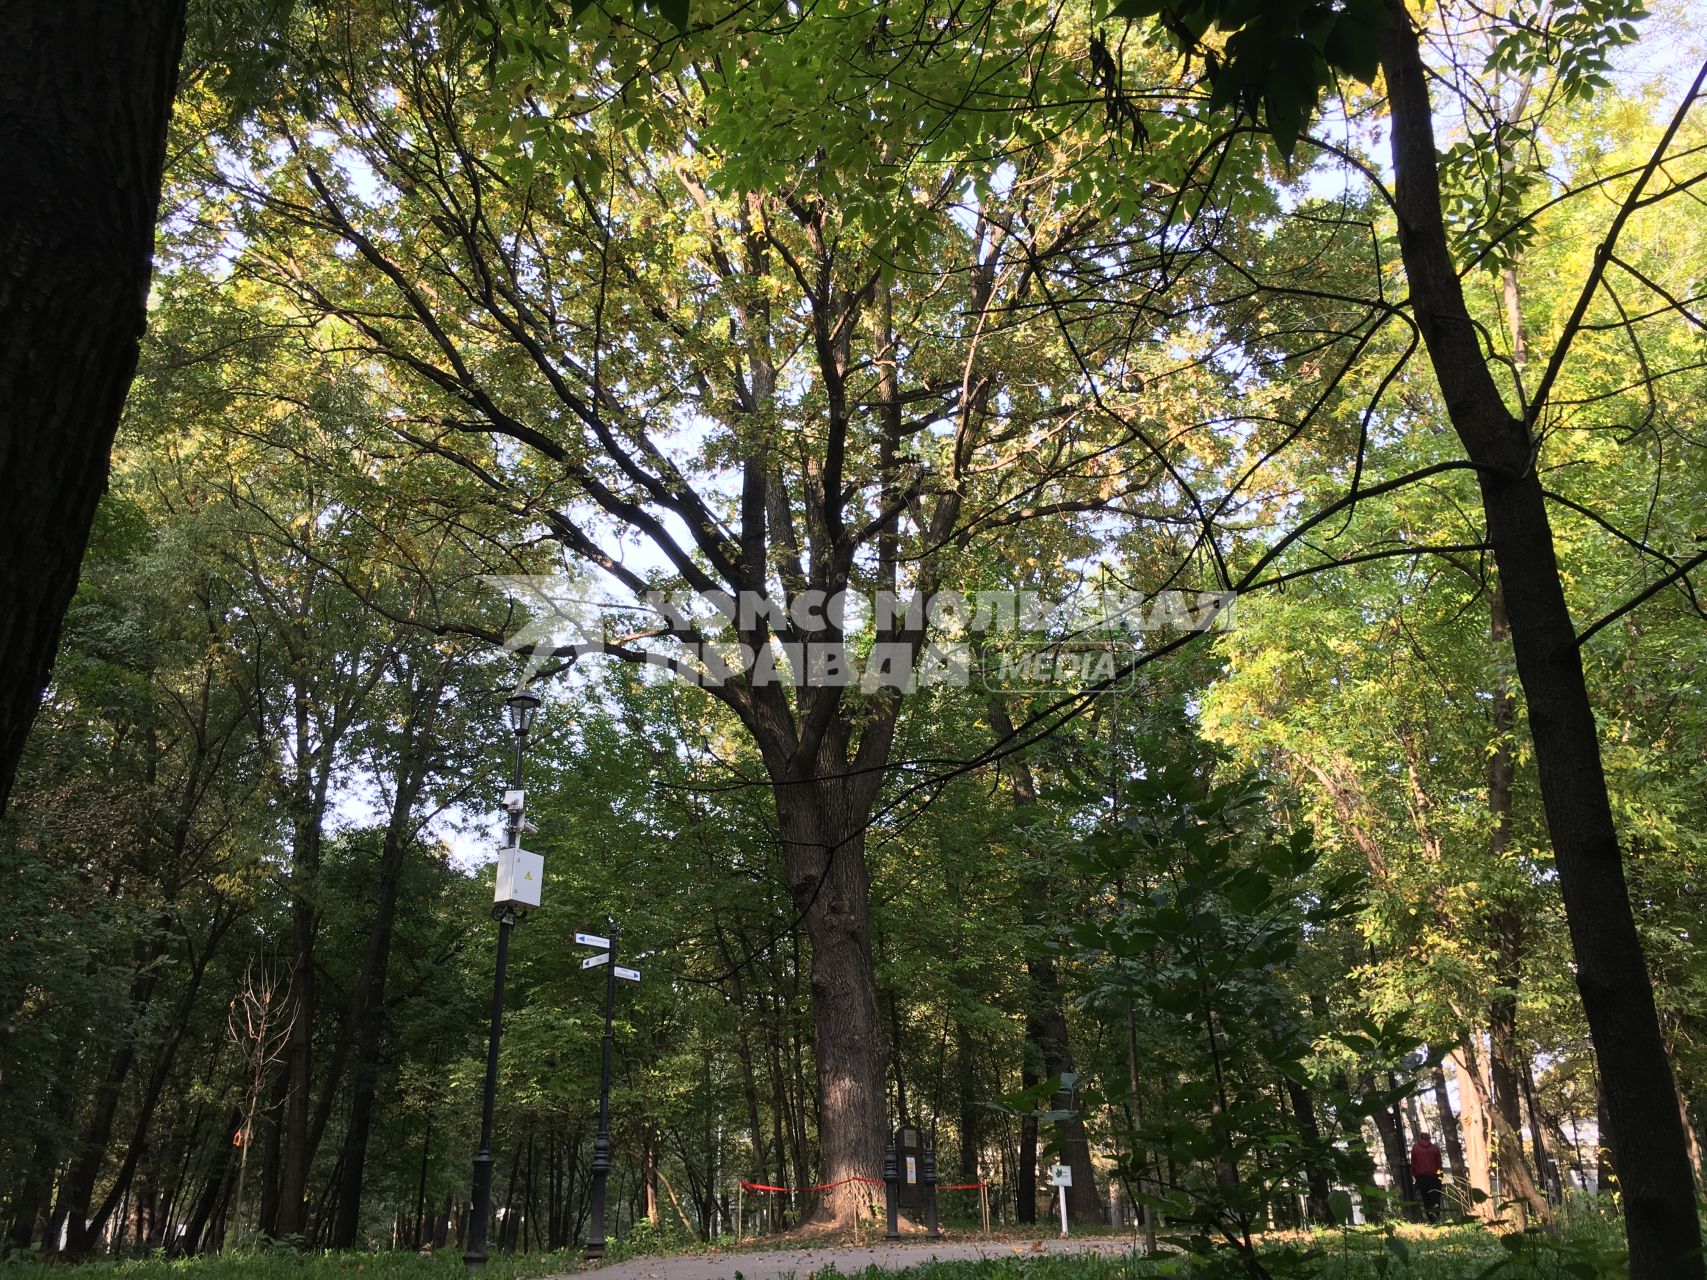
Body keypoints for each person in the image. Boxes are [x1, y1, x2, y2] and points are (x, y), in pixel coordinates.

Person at [1410, 1132, 1444, 1223]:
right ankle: (1437, 1218)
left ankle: (1430, 1219)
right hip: (1434, 1177)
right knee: (1435, 1198)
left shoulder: (1415, 1148)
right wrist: (1441, 1176)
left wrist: (1414, 1175)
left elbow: (1413, 1163)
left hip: (1421, 1177)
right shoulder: (1434, 1148)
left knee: (1426, 1199)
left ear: (1420, 1138)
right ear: (1429, 1138)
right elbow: (1439, 1163)